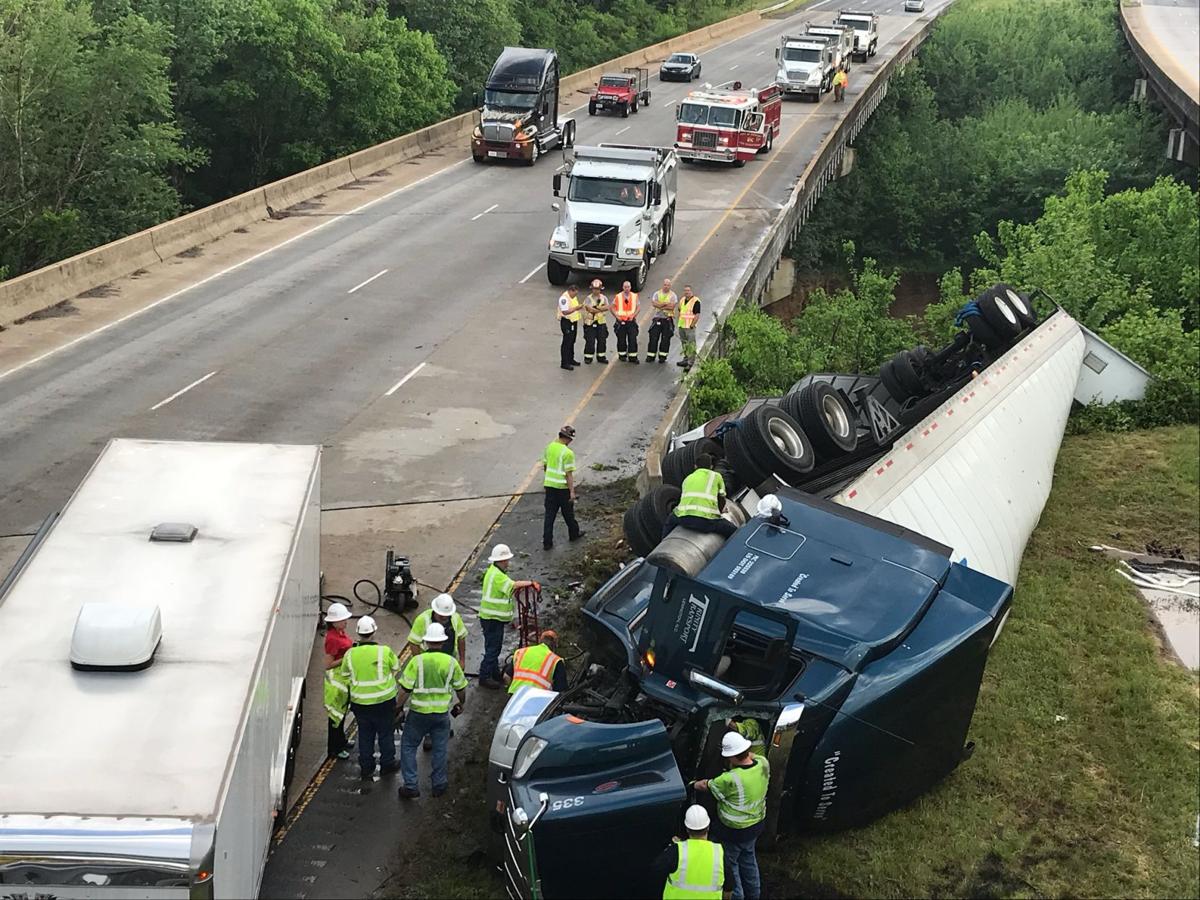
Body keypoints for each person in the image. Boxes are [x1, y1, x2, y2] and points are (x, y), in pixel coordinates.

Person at [395, 622, 469, 799]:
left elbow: (405, 690)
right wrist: (461, 703)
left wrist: (397, 708)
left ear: (426, 642)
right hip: (441, 715)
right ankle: (439, 784)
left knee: (408, 746)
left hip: (418, 714)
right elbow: (461, 688)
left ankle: (411, 785)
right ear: (443, 642)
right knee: (440, 749)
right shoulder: (451, 663)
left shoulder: (417, 662)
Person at [692, 732, 769, 900]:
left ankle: (737, 896)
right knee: (748, 860)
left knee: (730, 867)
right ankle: (754, 895)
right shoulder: (763, 763)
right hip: (756, 826)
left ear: (731, 757)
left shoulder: (729, 779)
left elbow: (706, 785)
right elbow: (751, 755)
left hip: (733, 832)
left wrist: (692, 784)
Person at [337, 615, 401, 780]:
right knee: (385, 733)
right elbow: (396, 667)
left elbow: (345, 675)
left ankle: (366, 767)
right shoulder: (384, 651)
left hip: (360, 703)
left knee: (365, 734)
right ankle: (387, 764)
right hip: (384, 702)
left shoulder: (350, 654)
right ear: (374, 632)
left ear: (358, 633)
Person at [478, 543, 538, 689]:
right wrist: (531, 583)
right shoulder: (498, 576)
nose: (508, 562)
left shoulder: (493, 572)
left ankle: (493, 673)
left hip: (490, 618)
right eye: (507, 560)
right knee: (493, 649)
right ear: (502, 560)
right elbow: (513, 585)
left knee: (492, 647)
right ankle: (485, 677)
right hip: (493, 618)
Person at [653, 805, 733, 899]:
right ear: (708, 827)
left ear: (687, 829)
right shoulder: (719, 853)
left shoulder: (676, 851)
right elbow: (728, 887)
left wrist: (672, 848)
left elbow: (656, 870)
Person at [663, 453, 738, 539]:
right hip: (704, 521)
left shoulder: (688, 478)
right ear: (711, 466)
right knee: (733, 531)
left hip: (683, 518)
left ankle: (663, 540)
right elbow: (722, 498)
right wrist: (720, 512)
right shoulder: (716, 476)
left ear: (695, 466)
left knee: (669, 522)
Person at [543, 424, 584, 550]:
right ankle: (574, 534)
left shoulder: (549, 447)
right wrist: (572, 492)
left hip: (550, 487)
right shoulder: (568, 453)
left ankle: (547, 542)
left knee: (549, 516)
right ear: (567, 438)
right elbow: (568, 475)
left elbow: (545, 466)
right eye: (570, 439)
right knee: (568, 514)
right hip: (562, 488)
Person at [323, 603, 354, 760]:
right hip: (337, 684)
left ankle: (341, 741)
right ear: (334, 622)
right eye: (342, 620)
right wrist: (347, 657)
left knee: (341, 716)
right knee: (336, 718)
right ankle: (335, 749)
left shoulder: (340, 633)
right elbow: (328, 664)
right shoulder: (333, 639)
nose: (346, 622)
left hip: (343, 681)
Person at [504, 629, 568, 693]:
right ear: (555, 646)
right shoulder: (556, 660)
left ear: (540, 641)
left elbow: (506, 676)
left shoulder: (521, 652)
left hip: (516, 695)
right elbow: (561, 690)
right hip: (538, 697)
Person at [646, 277, 678, 364]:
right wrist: (665, 304)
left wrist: (660, 305)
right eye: (665, 285)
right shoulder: (657, 293)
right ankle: (651, 356)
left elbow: (671, 307)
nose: (666, 286)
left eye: (668, 285)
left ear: (670, 286)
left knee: (665, 339)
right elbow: (654, 304)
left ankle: (662, 357)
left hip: (667, 320)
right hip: (657, 319)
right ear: (662, 285)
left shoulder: (673, 295)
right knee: (653, 337)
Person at [582, 279, 610, 364]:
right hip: (590, 323)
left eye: (597, 289)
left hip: (601, 323)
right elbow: (590, 309)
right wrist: (601, 309)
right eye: (594, 289)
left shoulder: (604, 298)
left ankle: (601, 357)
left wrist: (596, 308)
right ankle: (588, 357)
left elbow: (607, 307)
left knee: (602, 341)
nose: (596, 291)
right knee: (590, 341)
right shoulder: (588, 299)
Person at [612, 281, 640, 362]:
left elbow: (638, 307)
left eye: (628, 287)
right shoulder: (618, 296)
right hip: (621, 322)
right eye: (625, 287)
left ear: (630, 287)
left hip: (631, 321)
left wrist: (633, 315)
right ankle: (622, 355)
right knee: (621, 339)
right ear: (623, 287)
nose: (627, 288)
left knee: (632, 339)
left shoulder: (634, 296)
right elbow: (612, 307)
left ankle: (633, 357)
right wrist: (617, 316)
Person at [557, 284, 583, 370]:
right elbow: (565, 312)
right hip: (566, 322)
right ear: (571, 291)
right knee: (567, 342)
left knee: (572, 341)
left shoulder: (573, 297)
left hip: (573, 322)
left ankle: (571, 359)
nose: (575, 295)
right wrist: (576, 308)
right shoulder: (564, 298)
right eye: (574, 293)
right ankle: (564, 362)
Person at [676, 285, 702, 369]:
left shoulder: (696, 301)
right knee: (684, 344)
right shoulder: (682, 300)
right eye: (685, 291)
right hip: (682, 326)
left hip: (690, 327)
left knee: (691, 345)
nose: (686, 292)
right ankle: (686, 359)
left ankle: (690, 363)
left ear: (691, 291)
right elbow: (680, 311)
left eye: (688, 291)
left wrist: (692, 325)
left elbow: (697, 315)